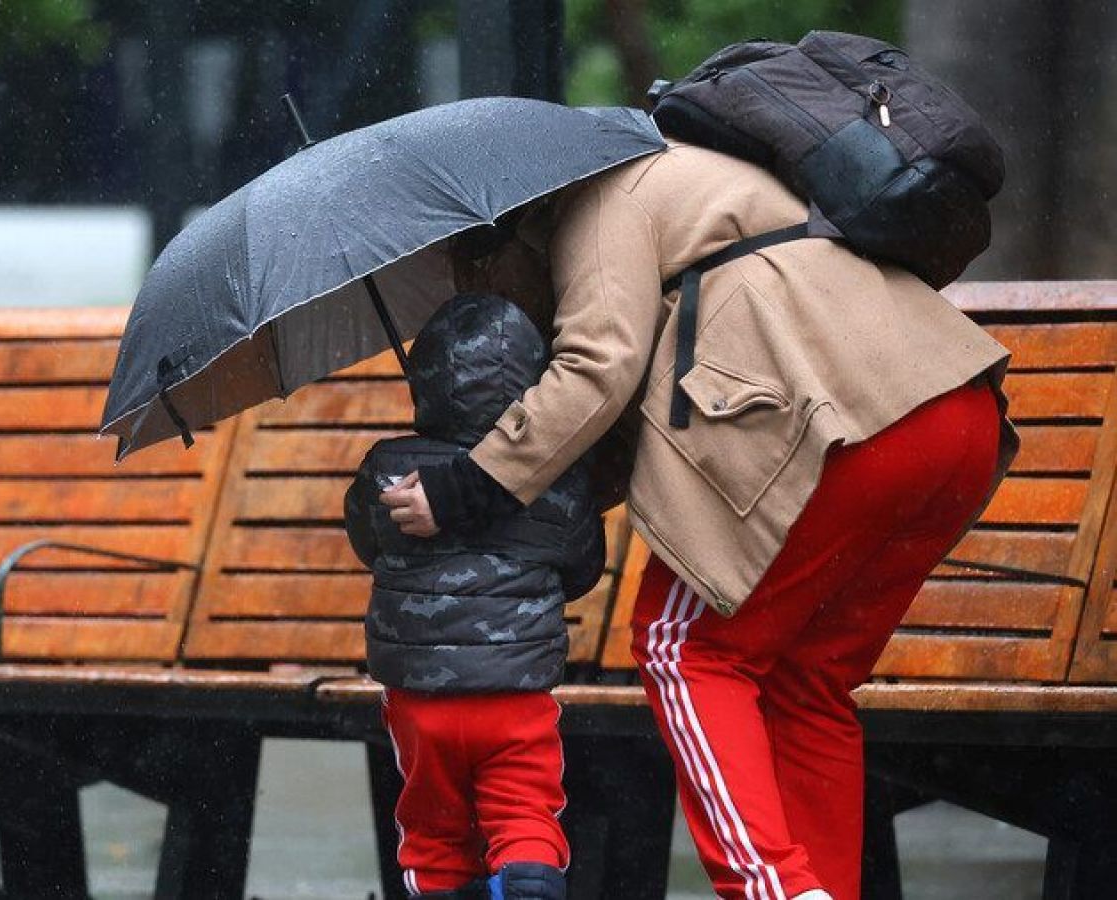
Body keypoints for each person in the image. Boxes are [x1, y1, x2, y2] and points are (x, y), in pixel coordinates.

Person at [380, 141, 1017, 900]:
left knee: (681, 644)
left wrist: (468, 489)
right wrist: (529, 512)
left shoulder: (598, 201)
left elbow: (598, 367)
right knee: (805, 683)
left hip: (836, 429)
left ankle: (771, 888)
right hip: (950, 413)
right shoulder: (681, 181)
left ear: (505, 237)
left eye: (487, 285)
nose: (509, 318)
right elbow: (615, 424)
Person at [343, 292, 606, 900]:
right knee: (524, 814)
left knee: (433, 831)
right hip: (515, 696)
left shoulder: (385, 468)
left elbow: (367, 543)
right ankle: (528, 885)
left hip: (420, 702)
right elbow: (582, 568)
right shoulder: (550, 475)